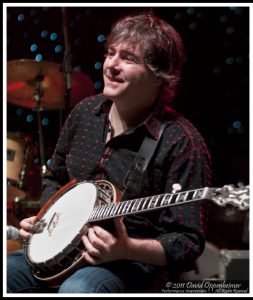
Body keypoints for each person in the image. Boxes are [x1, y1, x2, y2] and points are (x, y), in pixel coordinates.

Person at [7, 12, 212, 293]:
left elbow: (188, 243)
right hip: (60, 250)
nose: (111, 65)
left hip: (131, 262)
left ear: (158, 76)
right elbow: (54, 177)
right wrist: (46, 218)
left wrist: (126, 248)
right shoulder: (84, 114)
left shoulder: (183, 142)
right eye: (110, 53)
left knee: (79, 290)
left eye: (128, 58)